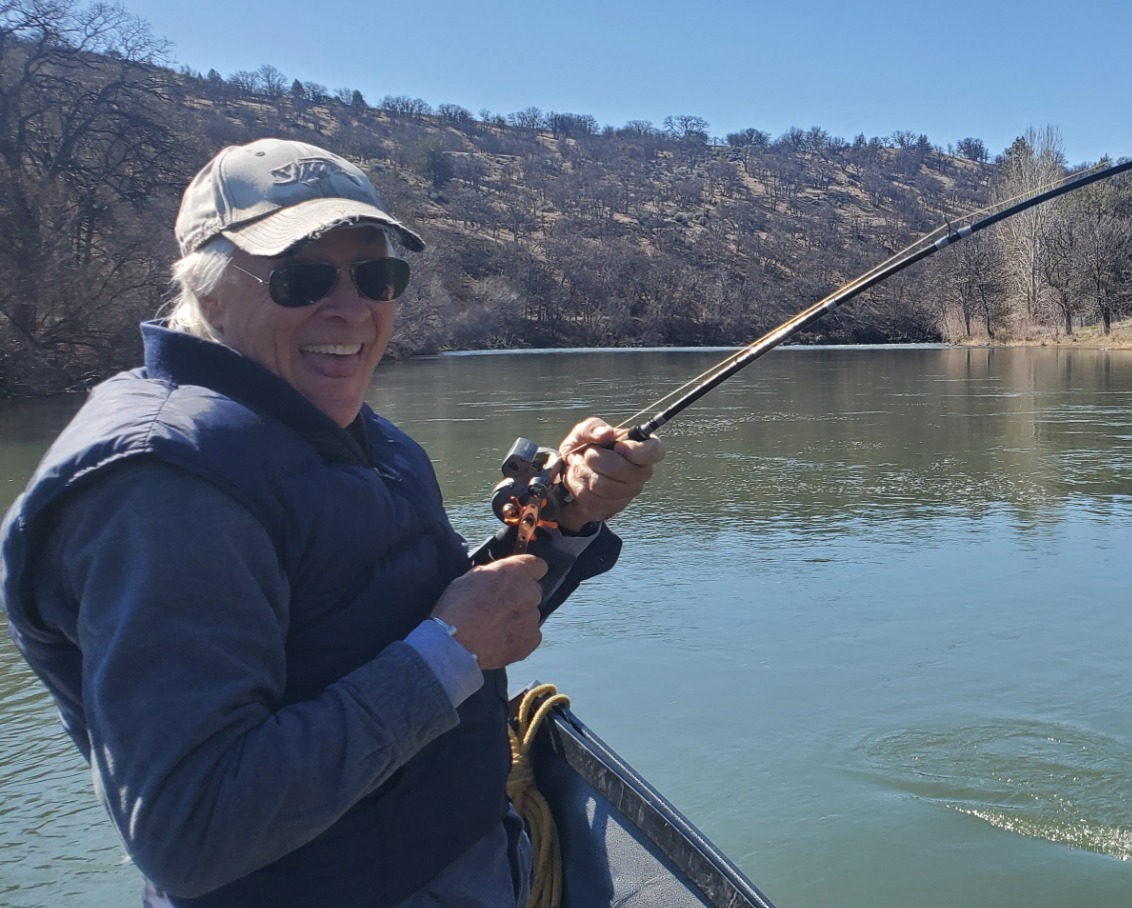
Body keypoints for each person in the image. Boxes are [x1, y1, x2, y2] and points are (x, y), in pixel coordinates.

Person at [0, 138, 665, 907]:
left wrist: (568, 520)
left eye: (377, 275)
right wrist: (446, 652)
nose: (351, 307)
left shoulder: (352, 431)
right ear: (208, 293)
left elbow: (441, 620)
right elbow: (193, 831)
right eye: (302, 278)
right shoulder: (161, 485)